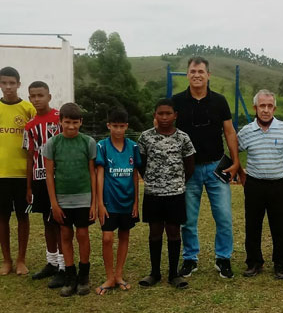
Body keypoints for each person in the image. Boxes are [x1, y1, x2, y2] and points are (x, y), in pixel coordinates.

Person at [172, 56, 240, 279]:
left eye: (201, 71)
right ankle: (190, 259)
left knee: (223, 216)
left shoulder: (219, 101)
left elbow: (229, 132)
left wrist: (236, 161)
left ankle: (223, 258)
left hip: (216, 167)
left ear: (208, 75)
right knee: (188, 219)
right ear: (188, 74)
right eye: (193, 71)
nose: (197, 75)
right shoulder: (176, 102)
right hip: (188, 169)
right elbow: (166, 130)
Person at [238, 90, 283, 280]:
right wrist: (241, 174)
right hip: (255, 185)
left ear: (274, 108)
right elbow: (234, 152)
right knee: (253, 226)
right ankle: (254, 262)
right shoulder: (247, 131)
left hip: (279, 185)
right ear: (255, 108)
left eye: (269, 106)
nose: (266, 110)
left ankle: (280, 264)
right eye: (262, 106)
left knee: (281, 226)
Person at [0, 66, 36, 275]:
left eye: (12, 83)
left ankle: (21, 260)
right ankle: (7, 260)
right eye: (4, 83)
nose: (8, 87)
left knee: (23, 215)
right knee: (3, 215)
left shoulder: (28, 109)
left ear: (19, 84)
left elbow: (32, 143)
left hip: (22, 172)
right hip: (0, 172)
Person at [138, 99, 195, 289]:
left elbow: (190, 166)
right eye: (160, 113)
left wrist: (177, 183)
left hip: (175, 194)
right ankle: (154, 273)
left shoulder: (183, 138)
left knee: (173, 232)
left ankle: (173, 274)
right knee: (155, 232)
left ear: (175, 115)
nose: (164, 117)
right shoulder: (145, 137)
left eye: (168, 113)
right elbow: (141, 164)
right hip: (153, 193)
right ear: (155, 115)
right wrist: (154, 181)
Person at [43, 103, 97, 297]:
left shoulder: (88, 142)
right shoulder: (53, 144)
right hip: (62, 200)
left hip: (83, 199)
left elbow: (92, 173)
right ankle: (70, 275)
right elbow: (49, 175)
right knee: (65, 236)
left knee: (82, 235)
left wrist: (94, 203)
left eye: (75, 122)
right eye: (67, 122)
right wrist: (54, 204)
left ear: (81, 122)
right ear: (60, 122)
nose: (71, 126)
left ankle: (84, 277)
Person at [95, 109, 142, 295]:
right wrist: (100, 203)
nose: (118, 130)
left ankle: (119, 275)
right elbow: (99, 175)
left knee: (124, 236)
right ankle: (109, 277)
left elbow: (135, 175)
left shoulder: (133, 147)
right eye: (115, 126)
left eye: (122, 126)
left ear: (127, 127)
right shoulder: (102, 146)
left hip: (127, 201)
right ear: (108, 126)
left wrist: (136, 203)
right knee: (107, 238)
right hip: (109, 202)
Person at [22, 81, 64, 287]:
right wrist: (28, 187)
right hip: (39, 178)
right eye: (33, 96)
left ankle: (65, 265)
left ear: (49, 96)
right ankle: (52, 262)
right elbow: (29, 156)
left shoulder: (60, 119)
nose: (37, 99)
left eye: (40, 95)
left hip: (60, 178)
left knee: (60, 221)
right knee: (47, 221)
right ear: (29, 98)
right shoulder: (30, 126)